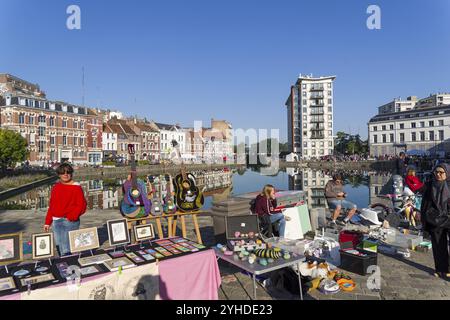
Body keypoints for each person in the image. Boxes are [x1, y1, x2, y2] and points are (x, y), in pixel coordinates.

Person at [44, 163, 87, 256]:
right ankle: (63, 266)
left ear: (71, 174)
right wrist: (48, 222)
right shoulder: (56, 187)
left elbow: (81, 205)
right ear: (59, 174)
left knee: (67, 248)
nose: (65, 174)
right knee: (59, 247)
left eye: (68, 172)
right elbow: (52, 205)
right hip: (56, 221)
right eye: (63, 172)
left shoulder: (76, 187)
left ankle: (69, 267)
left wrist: (72, 216)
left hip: (69, 221)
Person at [419, 164, 450, 279]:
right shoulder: (429, 186)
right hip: (435, 219)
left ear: (446, 174)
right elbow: (425, 204)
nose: (438, 174)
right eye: (436, 172)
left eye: (441, 172)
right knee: (438, 246)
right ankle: (440, 269)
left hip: (448, 218)